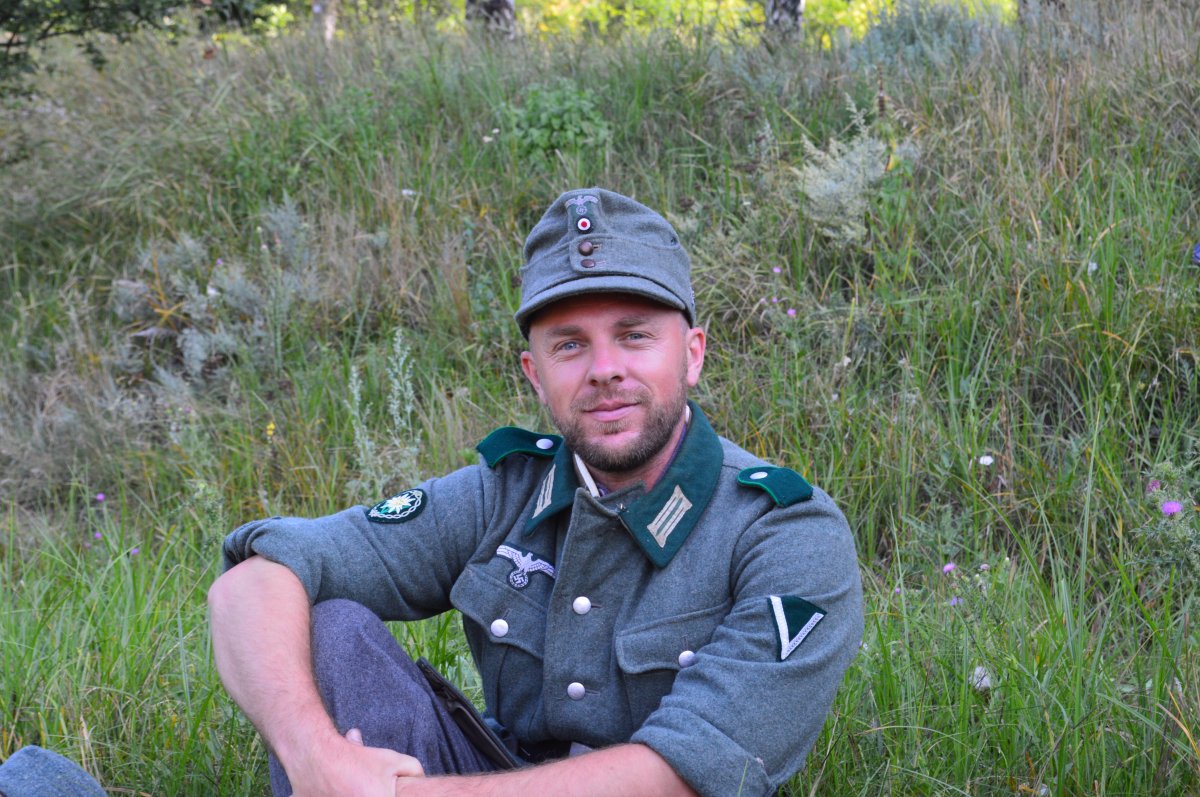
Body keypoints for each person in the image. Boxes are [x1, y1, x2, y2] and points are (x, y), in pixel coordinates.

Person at [208, 188, 863, 797]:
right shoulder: (505, 492)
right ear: (535, 374)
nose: (604, 370)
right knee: (331, 631)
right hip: (495, 773)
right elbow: (250, 582)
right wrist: (316, 755)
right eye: (569, 345)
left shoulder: (786, 531)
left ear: (692, 354)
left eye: (634, 335)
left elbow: (686, 772)